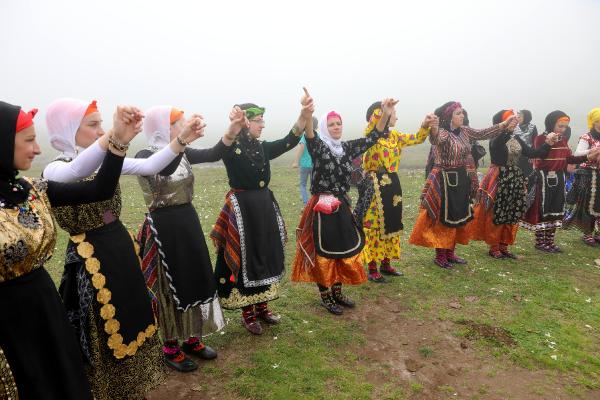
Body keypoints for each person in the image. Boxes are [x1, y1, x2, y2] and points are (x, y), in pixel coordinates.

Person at [42, 99, 206, 399]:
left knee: (132, 318)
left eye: (102, 124)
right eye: (93, 125)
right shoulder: (55, 169)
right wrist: (114, 138)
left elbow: (150, 165)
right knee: (104, 328)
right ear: (67, 130)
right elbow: (79, 170)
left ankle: (134, 386)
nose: (100, 130)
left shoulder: (105, 159)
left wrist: (182, 139)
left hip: (119, 247)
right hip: (89, 258)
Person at [0, 100, 139, 399]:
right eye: (28, 140)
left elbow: (99, 190)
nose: (37, 149)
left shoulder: (31, 189)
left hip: (46, 308)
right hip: (8, 321)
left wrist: (119, 141)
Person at [136, 106, 243, 371]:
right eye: (178, 123)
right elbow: (166, 166)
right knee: (171, 285)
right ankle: (170, 346)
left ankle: (193, 338)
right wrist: (182, 141)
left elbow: (213, 154)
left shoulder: (181, 150)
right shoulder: (145, 155)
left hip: (187, 221)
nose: (184, 127)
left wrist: (232, 130)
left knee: (195, 277)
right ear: (163, 128)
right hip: (164, 228)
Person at [211, 95, 308, 335]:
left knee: (265, 252)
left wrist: (304, 115)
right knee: (247, 257)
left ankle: (262, 306)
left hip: (264, 207)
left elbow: (289, 140)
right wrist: (233, 124)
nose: (263, 125)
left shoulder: (262, 148)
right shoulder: (230, 148)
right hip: (242, 211)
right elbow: (224, 141)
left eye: (263, 120)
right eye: (258, 121)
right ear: (246, 123)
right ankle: (248, 312)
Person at [291, 93, 393, 315]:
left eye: (339, 123)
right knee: (324, 252)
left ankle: (337, 291)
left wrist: (385, 115)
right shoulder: (319, 147)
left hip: (341, 205)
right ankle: (325, 295)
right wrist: (307, 113)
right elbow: (309, 135)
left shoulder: (346, 148)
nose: (336, 127)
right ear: (325, 127)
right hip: (322, 207)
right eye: (331, 124)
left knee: (342, 248)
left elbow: (373, 137)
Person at [409, 101, 517, 268]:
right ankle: (440, 255)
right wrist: (434, 127)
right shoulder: (444, 133)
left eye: (462, 113)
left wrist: (504, 124)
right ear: (449, 117)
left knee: (458, 215)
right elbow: (435, 138)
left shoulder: (465, 131)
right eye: (458, 113)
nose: (462, 115)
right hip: (444, 178)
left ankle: (450, 253)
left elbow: (483, 133)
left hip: (461, 177)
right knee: (444, 217)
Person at [354, 101, 434, 282]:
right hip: (374, 185)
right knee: (374, 226)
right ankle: (372, 267)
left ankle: (386, 263)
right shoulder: (370, 135)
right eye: (393, 113)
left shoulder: (395, 136)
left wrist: (425, 125)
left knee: (392, 223)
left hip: (393, 185)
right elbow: (374, 123)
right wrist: (384, 111)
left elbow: (417, 138)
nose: (396, 117)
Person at [471, 110, 556, 259]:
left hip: (514, 177)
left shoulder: (515, 137)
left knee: (512, 211)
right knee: (498, 211)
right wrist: (506, 130)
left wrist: (548, 144)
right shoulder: (496, 137)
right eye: (511, 119)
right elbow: (496, 145)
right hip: (499, 176)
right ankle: (494, 247)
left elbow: (532, 153)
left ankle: (504, 246)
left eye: (515, 119)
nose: (515, 121)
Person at [521, 111, 599, 252]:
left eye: (565, 127)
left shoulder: (562, 140)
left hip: (560, 178)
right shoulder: (540, 138)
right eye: (560, 126)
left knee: (556, 209)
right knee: (544, 210)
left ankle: (550, 241)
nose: (563, 129)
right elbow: (540, 156)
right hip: (544, 178)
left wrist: (588, 157)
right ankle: (540, 242)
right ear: (551, 124)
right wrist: (548, 143)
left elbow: (569, 159)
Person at [564, 108, 600, 245]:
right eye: (598, 120)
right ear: (593, 122)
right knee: (589, 204)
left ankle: (598, 232)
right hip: (589, 175)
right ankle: (587, 233)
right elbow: (578, 153)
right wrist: (592, 151)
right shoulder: (587, 137)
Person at [292, 116, 318, 205]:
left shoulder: (305, 136)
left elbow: (301, 148)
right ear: (317, 127)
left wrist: (295, 162)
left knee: (302, 184)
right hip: (314, 165)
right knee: (313, 184)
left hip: (304, 165)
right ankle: (314, 202)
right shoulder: (317, 137)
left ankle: (306, 203)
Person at [513, 109, 538, 177]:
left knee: (528, 175)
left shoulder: (532, 127)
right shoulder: (514, 127)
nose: (518, 118)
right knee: (517, 176)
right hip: (517, 156)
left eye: (520, 116)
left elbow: (535, 142)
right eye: (517, 116)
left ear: (526, 117)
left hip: (528, 156)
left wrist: (533, 156)